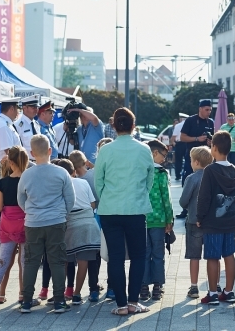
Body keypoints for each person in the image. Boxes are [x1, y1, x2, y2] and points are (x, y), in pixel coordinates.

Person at [95, 107, 154, 315]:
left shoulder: (105, 150)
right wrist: (139, 194)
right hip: (136, 208)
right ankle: (133, 301)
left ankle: (120, 304)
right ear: (133, 126)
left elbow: (98, 181)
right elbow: (150, 180)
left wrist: (107, 198)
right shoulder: (144, 149)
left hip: (110, 209)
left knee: (116, 257)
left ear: (113, 126)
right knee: (138, 255)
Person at [17, 135, 75, 314]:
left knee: (31, 261)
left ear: (32, 153)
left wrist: (31, 211)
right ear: (50, 151)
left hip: (33, 223)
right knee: (57, 260)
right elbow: (70, 200)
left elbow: (20, 199)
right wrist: (61, 214)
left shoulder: (27, 174)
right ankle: (59, 301)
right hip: (56, 222)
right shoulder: (61, 172)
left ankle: (26, 301)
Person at [196, 131, 235, 305]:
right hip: (230, 220)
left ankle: (213, 293)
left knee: (213, 257)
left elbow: (204, 196)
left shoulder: (210, 170)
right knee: (229, 254)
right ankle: (229, 292)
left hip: (212, 221)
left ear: (213, 148)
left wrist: (200, 216)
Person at [0, 146, 28, 307]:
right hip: (25, 224)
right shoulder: (27, 180)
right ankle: (24, 295)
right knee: (24, 262)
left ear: (10, 162)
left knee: (3, 261)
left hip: (7, 226)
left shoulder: (2, 182)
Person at [55, 158, 100, 306]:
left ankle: (61, 293)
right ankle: (76, 294)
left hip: (69, 225)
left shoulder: (60, 185)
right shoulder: (83, 182)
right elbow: (93, 204)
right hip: (88, 224)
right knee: (83, 262)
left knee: (64, 262)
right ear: (74, 171)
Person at [0, 98, 22, 253]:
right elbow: (9, 152)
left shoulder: (5, 124)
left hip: (8, 169)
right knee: (2, 207)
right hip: (5, 171)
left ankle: (5, 240)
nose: (18, 112)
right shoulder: (2, 126)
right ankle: (0, 242)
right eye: (17, 109)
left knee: (5, 206)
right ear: (12, 109)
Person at [141, 141, 174, 302]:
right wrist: (170, 219)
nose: (164, 159)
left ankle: (143, 286)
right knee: (158, 254)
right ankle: (157, 287)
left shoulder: (139, 171)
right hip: (159, 219)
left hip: (141, 218)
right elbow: (166, 198)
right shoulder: (161, 173)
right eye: (163, 155)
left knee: (143, 254)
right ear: (154, 153)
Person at [68, 151, 102, 302]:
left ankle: (69, 290)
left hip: (72, 223)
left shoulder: (71, 182)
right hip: (95, 219)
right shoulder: (94, 175)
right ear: (85, 162)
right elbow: (94, 202)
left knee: (69, 259)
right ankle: (93, 288)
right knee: (93, 257)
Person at [179, 146, 213, 299]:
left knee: (194, 256)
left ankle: (194, 287)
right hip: (211, 223)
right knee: (212, 256)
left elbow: (183, 201)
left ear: (197, 162)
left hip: (193, 220)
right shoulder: (213, 177)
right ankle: (214, 284)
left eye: (191, 160)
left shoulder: (191, 178)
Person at [180, 100, 216, 181]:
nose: (209, 112)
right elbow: (182, 137)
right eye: (207, 110)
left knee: (206, 180)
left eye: (210, 110)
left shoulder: (210, 122)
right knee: (189, 178)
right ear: (200, 109)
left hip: (206, 156)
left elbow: (213, 137)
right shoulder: (190, 120)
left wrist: (210, 142)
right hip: (192, 155)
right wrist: (197, 139)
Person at [171, 113, 188, 182]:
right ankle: (186, 174)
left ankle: (178, 175)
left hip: (179, 144)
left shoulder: (177, 126)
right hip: (187, 143)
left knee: (178, 161)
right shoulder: (189, 125)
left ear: (180, 118)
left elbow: (173, 137)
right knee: (187, 160)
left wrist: (174, 143)